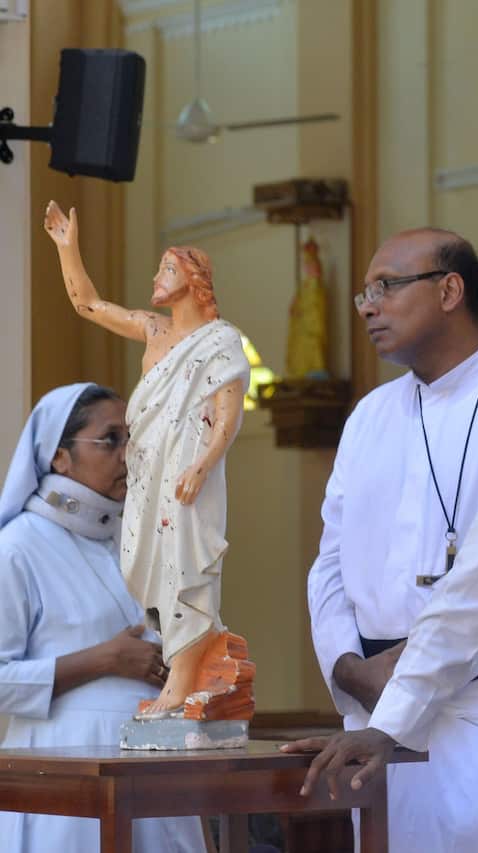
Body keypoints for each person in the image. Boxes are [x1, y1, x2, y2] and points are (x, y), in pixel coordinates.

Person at [305, 228, 478, 852]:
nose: (369, 306)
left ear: (451, 289)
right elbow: (330, 563)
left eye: (387, 287)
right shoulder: (369, 414)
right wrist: (347, 667)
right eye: (364, 294)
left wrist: (418, 665)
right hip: (371, 704)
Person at [44, 201, 250, 714]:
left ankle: (181, 682)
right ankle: (185, 670)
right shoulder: (155, 331)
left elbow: (227, 415)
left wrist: (201, 467)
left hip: (185, 476)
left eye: (166, 268)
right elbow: (88, 305)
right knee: (146, 569)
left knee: (183, 570)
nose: (156, 277)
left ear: (192, 277)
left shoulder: (220, 341)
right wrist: (67, 248)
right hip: (147, 475)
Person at [0, 384, 205, 852]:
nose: (128, 455)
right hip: (65, 774)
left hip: (158, 768)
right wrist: (103, 659)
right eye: (110, 440)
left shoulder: (135, 543)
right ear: (59, 458)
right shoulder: (17, 548)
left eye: (132, 439)